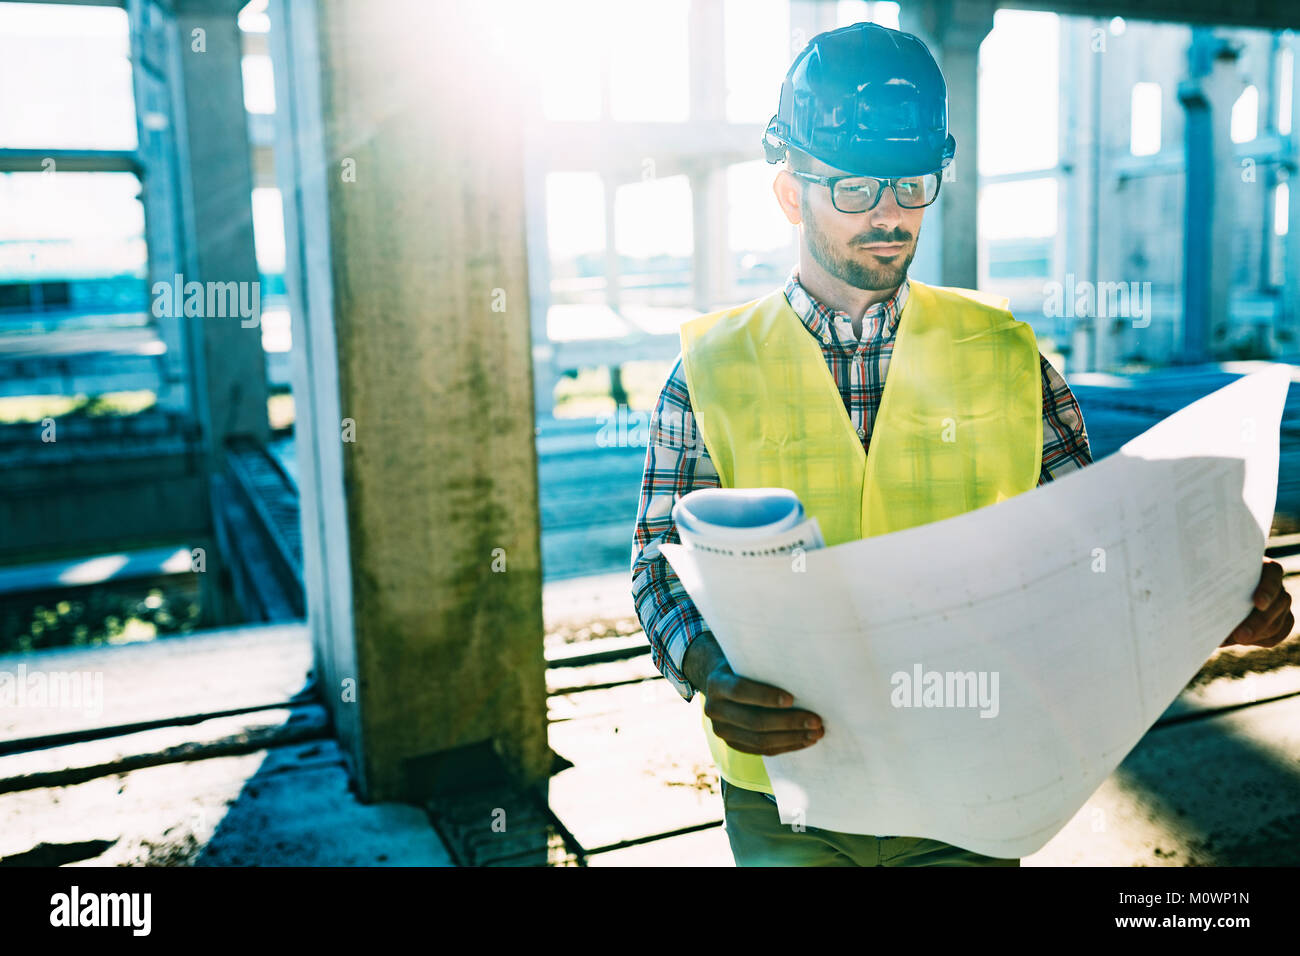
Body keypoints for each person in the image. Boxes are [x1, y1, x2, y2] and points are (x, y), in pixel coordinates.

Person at [629, 20, 1293, 867]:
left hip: (975, 789)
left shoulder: (1010, 355)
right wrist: (708, 674)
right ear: (791, 191)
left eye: (912, 185)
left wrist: (1211, 600)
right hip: (786, 797)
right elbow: (658, 562)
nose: (891, 216)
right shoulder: (709, 369)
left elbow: (1098, 551)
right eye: (858, 189)